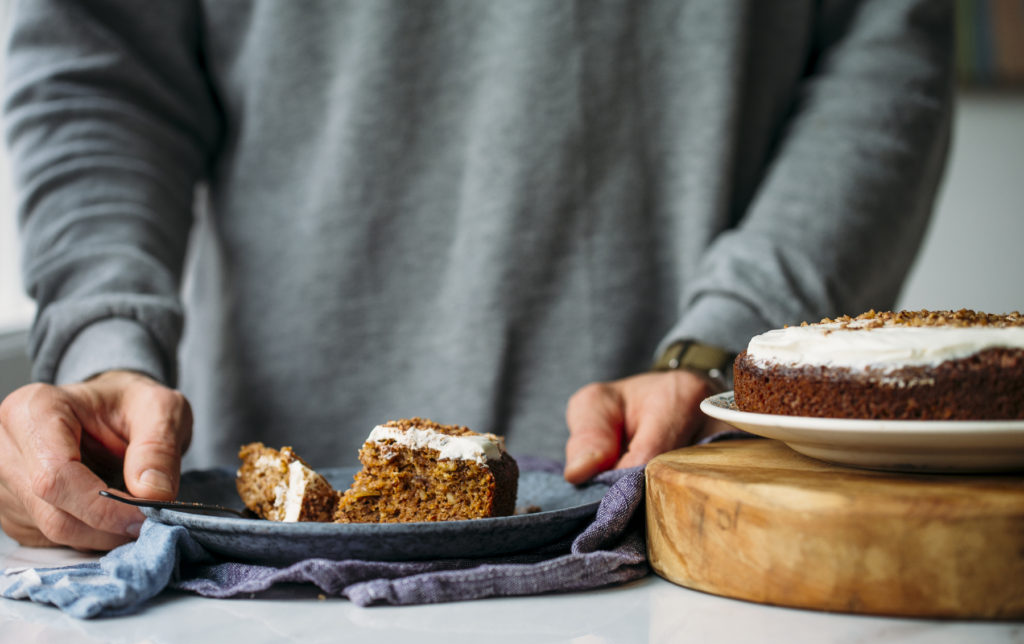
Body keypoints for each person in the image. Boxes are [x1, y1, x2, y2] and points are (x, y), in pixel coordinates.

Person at [0, 0, 952, 550]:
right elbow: (101, 63)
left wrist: (726, 345)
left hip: (689, 513)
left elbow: (881, 48)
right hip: (251, 556)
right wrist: (105, 344)